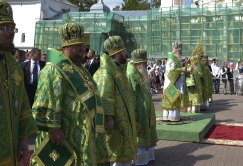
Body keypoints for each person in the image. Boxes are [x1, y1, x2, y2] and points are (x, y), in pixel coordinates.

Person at [31, 21, 107, 165]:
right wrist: (53, 128)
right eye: (78, 45)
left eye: (83, 44)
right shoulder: (53, 69)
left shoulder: (80, 68)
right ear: (66, 46)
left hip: (83, 133)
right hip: (65, 133)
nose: (82, 48)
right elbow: (47, 99)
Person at [0, 0, 37, 165]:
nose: (10, 33)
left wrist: (23, 138)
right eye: (4, 28)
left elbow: (22, 104)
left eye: (12, 28)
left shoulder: (14, 67)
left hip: (11, 147)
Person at [93, 35, 138, 165]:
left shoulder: (118, 68)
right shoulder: (105, 71)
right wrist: (108, 117)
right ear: (117, 53)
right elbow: (104, 95)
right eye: (124, 51)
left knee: (124, 154)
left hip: (124, 118)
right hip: (115, 121)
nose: (126, 53)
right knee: (116, 154)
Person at [127, 49, 158, 165]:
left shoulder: (140, 73)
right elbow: (131, 94)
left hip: (146, 110)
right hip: (139, 112)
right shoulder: (131, 75)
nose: (146, 65)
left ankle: (148, 157)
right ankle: (140, 160)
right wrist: (133, 110)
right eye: (144, 63)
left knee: (147, 132)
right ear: (138, 64)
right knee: (139, 135)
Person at [162, 41, 189, 121]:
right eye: (180, 51)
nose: (181, 52)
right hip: (171, 84)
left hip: (176, 84)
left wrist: (186, 72)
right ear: (176, 51)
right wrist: (181, 69)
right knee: (171, 100)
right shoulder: (171, 60)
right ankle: (170, 117)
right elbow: (171, 72)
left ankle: (173, 117)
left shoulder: (177, 60)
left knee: (174, 101)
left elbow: (179, 72)